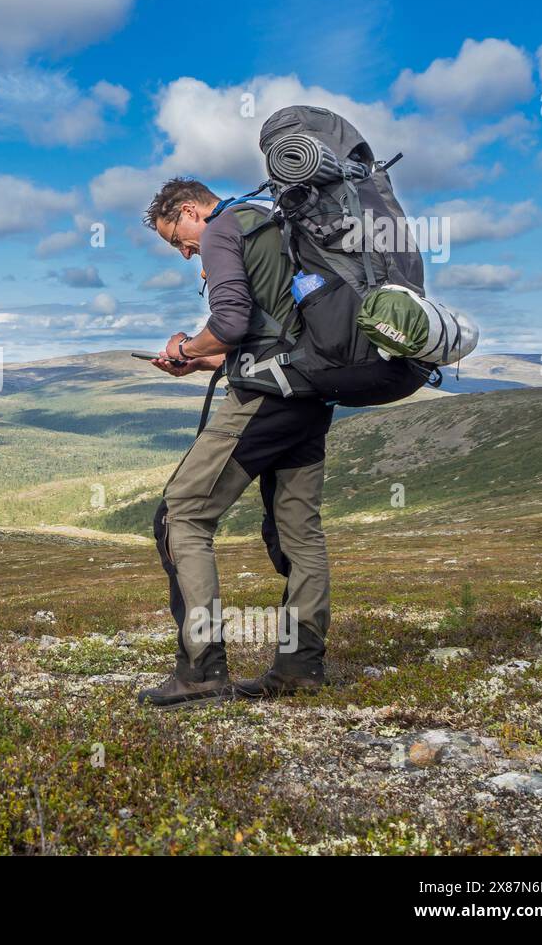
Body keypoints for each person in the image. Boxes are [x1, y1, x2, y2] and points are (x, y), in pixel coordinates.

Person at [136, 177, 334, 708]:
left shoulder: (224, 228)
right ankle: (300, 666)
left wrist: (184, 345)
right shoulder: (270, 225)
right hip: (313, 394)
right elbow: (272, 326)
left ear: (188, 211)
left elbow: (229, 322)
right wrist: (206, 360)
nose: (184, 253)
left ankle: (201, 670)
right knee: (299, 531)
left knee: (181, 514)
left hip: (267, 397)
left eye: (177, 239)